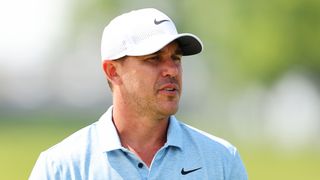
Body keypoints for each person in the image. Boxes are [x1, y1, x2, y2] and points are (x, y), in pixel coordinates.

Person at [29, 8, 248, 179]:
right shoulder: (62, 167)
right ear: (113, 71)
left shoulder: (221, 160)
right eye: (153, 58)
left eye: (176, 58)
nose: (172, 70)